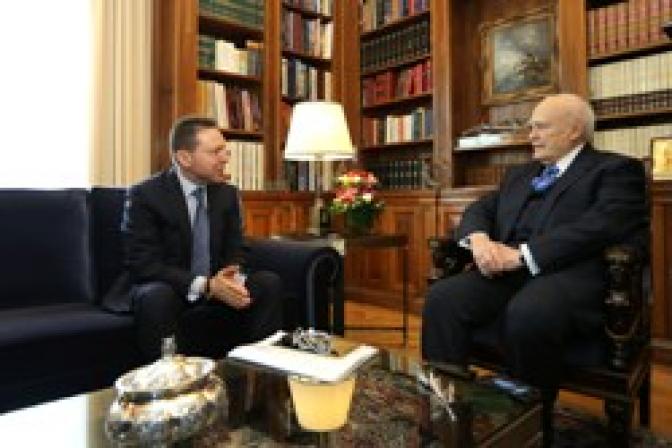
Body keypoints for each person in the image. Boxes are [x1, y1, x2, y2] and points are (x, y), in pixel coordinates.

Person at [421, 93, 648, 444]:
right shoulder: (520, 174)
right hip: (508, 272)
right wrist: (479, 240)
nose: (531, 136)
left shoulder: (615, 170)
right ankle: (445, 411)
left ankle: (527, 429)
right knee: (443, 297)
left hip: (570, 275)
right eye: (531, 128)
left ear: (574, 130)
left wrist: (524, 254)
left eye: (540, 127)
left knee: (529, 311)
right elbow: (481, 209)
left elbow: (602, 226)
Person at [112, 116, 283, 360]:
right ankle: (167, 378)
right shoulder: (146, 195)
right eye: (215, 152)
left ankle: (260, 370)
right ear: (185, 158)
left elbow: (236, 248)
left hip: (214, 284)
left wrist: (230, 279)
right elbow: (144, 264)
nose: (225, 158)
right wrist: (206, 285)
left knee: (268, 283)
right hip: (169, 285)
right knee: (158, 296)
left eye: (225, 150)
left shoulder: (227, 194)